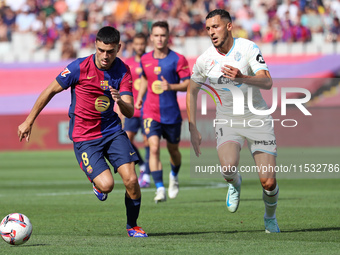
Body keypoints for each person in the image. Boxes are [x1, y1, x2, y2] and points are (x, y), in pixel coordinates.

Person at [17, 26, 148, 238]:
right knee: (107, 185)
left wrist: (119, 101)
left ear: (119, 48)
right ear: (95, 46)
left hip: (112, 131)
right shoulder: (79, 67)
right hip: (85, 137)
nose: (105, 56)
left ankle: (132, 225)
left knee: (132, 180)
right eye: (101, 50)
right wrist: (29, 120)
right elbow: (50, 90)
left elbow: (130, 111)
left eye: (111, 51)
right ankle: (97, 184)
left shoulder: (123, 71)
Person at [187, 9, 280, 233]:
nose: (211, 32)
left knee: (268, 182)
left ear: (229, 26)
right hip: (227, 120)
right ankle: (234, 183)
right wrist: (192, 127)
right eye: (208, 28)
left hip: (257, 117)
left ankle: (270, 218)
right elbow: (191, 91)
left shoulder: (248, 48)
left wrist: (242, 77)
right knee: (228, 168)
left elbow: (267, 82)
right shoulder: (205, 60)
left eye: (215, 27)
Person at [135, 21, 190, 203]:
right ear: (151, 37)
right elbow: (144, 78)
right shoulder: (145, 59)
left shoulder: (178, 59)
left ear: (168, 37)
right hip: (150, 111)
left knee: (173, 151)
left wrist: (171, 86)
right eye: (156, 35)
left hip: (171, 114)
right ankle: (159, 188)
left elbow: (188, 83)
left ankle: (173, 176)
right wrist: (140, 97)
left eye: (163, 35)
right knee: (154, 147)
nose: (159, 39)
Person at [123, 33, 151, 188]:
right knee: (127, 139)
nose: (139, 46)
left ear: (145, 43)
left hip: (148, 108)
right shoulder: (128, 63)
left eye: (142, 43)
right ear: (133, 45)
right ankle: (142, 166)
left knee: (148, 141)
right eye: (137, 44)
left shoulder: (151, 61)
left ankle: (146, 175)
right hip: (132, 108)